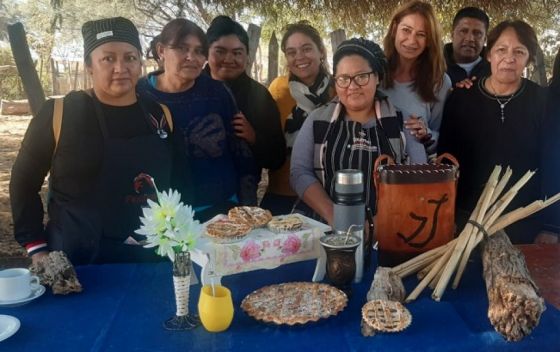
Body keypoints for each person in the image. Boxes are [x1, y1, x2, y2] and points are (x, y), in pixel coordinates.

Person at [10, 17, 174, 265]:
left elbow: (178, 180)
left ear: (140, 62)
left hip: (150, 256)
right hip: (78, 258)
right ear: (89, 65)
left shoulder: (160, 115)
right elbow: (23, 183)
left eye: (130, 57)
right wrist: (36, 246)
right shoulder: (59, 113)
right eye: (108, 58)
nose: (121, 67)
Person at [438, 20, 558, 244]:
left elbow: (554, 164)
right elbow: (446, 162)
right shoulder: (461, 99)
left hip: (524, 222)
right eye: (501, 49)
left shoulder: (543, 101)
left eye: (519, 51)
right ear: (489, 55)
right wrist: (447, 215)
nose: (509, 58)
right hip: (467, 222)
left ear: (528, 59)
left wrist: (552, 227)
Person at [137, 18, 258, 222]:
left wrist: (246, 208)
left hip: (221, 210)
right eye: (182, 48)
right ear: (161, 50)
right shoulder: (140, 95)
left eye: (199, 50)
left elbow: (241, 152)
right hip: (162, 218)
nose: (191, 57)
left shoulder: (217, 93)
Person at [290, 38, 406, 226]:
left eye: (361, 77)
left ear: (377, 77)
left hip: (388, 231)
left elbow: (416, 181)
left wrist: (374, 227)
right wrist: (334, 216)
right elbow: (299, 172)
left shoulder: (401, 123)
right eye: (343, 78)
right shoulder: (318, 120)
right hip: (324, 228)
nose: (352, 86)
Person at [262, 21, 335, 215]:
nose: (299, 57)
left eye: (306, 49)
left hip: (328, 196)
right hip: (282, 193)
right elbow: (269, 140)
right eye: (292, 52)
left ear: (321, 51)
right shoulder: (278, 89)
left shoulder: (339, 90)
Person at [205, 15, 286, 188]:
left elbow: (277, 158)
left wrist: (254, 137)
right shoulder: (188, 90)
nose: (228, 59)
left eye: (237, 53)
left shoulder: (259, 96)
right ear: (207, 51)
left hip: (243, 199)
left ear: (247, 56)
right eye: (220, 51)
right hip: (191, 197)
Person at [380, 0, 452, 163]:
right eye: (406, 30)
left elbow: (443, 139)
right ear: (394, 29)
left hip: (416, 178)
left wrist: (426, 134)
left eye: (421, 34)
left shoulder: (439, 82)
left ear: (429, 41)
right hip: (373, 172)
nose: (412, 41)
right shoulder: (374, 74)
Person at [444, 7, 491, 86]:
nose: (470, 39)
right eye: (463, 31)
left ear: (485, 39)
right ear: (452, 35)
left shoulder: (494, 69)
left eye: (477, 33)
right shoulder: (434, 65)